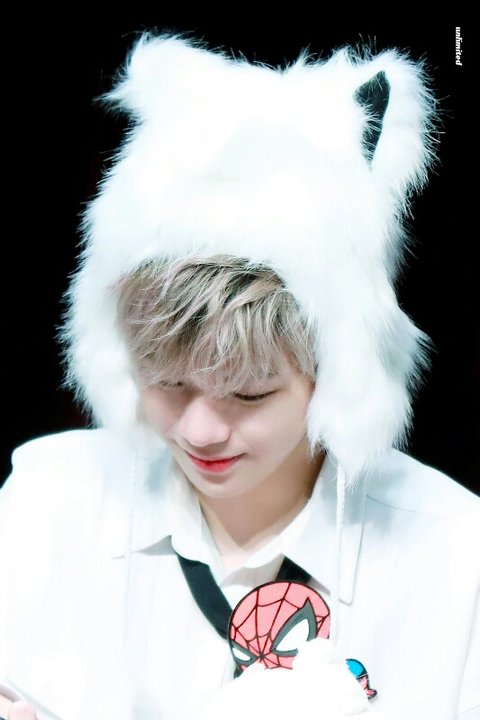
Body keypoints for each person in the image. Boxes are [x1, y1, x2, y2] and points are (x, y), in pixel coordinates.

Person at [0, 31, 478, 720]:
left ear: (335, 376)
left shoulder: (453, 552)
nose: (200, 431)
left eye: (248, 393)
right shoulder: (51, 499)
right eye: (168, 383)